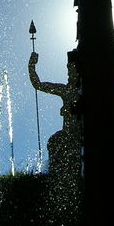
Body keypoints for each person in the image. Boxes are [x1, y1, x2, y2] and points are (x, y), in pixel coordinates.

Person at [28, 51, 82, 180]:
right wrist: (31, 66)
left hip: (80, 133)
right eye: (69, 71)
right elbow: (39, 85)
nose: (70, 74)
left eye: (73, 70)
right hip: (68, 133)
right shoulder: (65, 90)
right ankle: (56, 176)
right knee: (55, 141)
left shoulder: (82, 91)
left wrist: (70, 109)